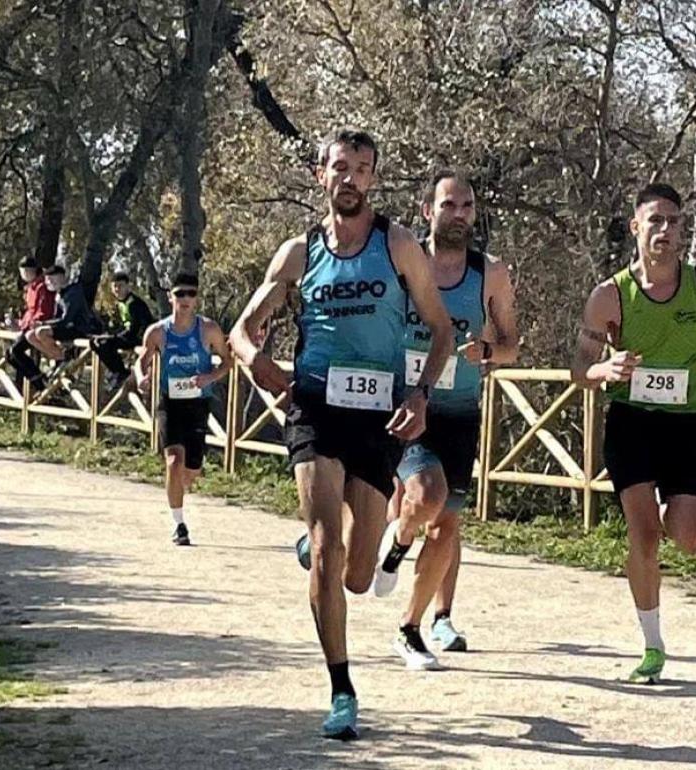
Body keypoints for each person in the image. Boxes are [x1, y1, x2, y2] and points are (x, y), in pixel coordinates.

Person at [229, 129, 453, 740]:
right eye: (339, 168)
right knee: (329, 549)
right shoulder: (299, 252)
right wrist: (259, 362)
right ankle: (342, 690)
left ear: (373, 179)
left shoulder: (399, 244)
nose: (349, 178)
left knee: (357, 575)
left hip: (377, 413)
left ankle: (324, 551)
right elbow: (244, 328)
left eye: (361, 169)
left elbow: (441, 331)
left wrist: (420, 393)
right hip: (314, 406)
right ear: (319, 175)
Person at [569, 183, 696, 683]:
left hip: (682, 423)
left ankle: (664, 537)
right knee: (644, 534)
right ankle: (652, 646)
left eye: (674, 222)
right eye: (655, 221)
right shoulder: (609, 295)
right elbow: (578, 369)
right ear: (636, 228)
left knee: (691, 537)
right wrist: (604, 369)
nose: (666, 231)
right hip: (631, 422)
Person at [377, 171, 519, 671]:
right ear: (427, 211)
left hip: (460, 410)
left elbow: (511, 345)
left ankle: (411, 627)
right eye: (448, 205)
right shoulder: (402, 262)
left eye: (466, 206)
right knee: (426, 495)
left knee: (446, 526)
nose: (458, 214)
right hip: (405, 401)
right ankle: (394, 541)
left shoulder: (491, 274)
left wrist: (487, 351)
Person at [135, 273, 232, 546]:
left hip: (198, 403)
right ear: (171, 297)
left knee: (191, 470)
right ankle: (179, 524)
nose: (186, 299)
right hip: (169, 403)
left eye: (191, 293)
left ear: (197, 297)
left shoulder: (209, 329)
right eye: (180, 294)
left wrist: (210, 378)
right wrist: (142, 377)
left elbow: (227, 361)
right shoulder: (158, 332)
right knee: (173, 462)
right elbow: (142, 359)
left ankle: (179, 487)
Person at [24, 265, 101, 386]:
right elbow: (56, 318)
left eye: (52, 280)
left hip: (80, 329)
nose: (49, 283)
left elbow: (66, 319)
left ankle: (64, 358)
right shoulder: (58, 295)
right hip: (66, 328)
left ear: (62, 278)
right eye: (48, 280)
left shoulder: (73, 292)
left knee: (41, 332)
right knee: (30, 336)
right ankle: (59, 357)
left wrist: (43, 324)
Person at [92, 271, 155, 391]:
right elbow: (120, 325)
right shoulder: (121, 303)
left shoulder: (134, 303)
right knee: (95, 342)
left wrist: (114, 337)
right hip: (129, 335)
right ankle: (115, 371)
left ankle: (120, 372)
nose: (117, 289)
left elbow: (135, 329)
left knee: (105, 343)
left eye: (120, 286)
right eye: (114, 286)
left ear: (127, 286)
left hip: (140, 338)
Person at [5, 257, 56, 390]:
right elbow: (29, 312)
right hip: (28, 327)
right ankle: (36, 380)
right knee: (9, 355)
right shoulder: (30, 288)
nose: (25, 274)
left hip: (39, 328)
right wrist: (18, 323)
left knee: (15, 351)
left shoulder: (42, 287)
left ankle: (40, 382)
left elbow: (43, 311)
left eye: (28, 271)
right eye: (23, 272)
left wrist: (28, 325)